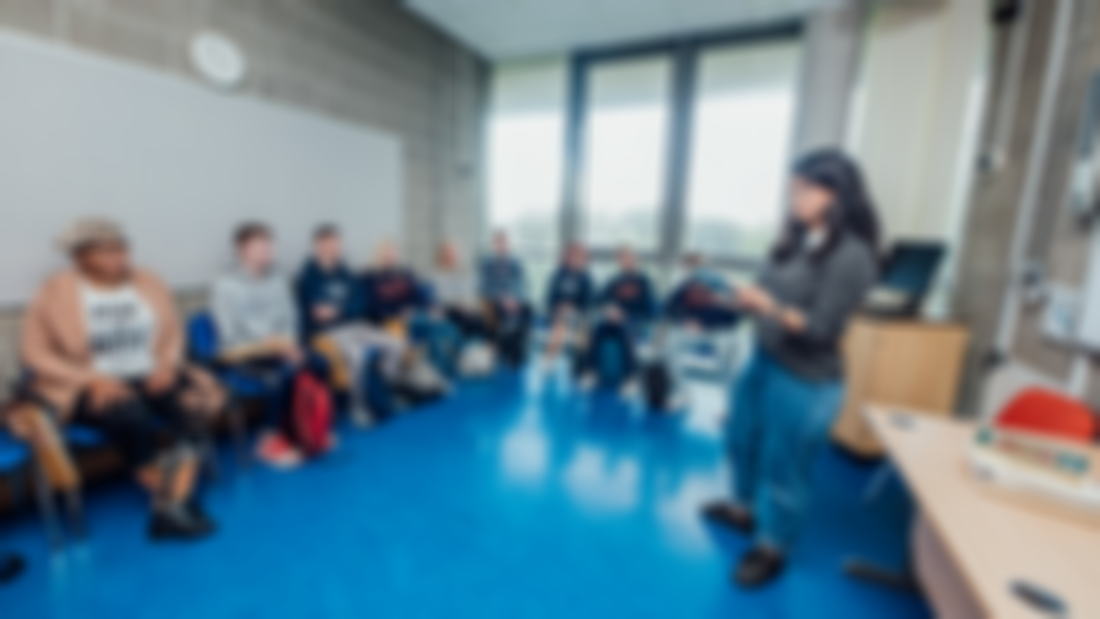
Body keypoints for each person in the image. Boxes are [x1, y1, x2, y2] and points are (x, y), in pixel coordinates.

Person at [702, 149, 881, 588]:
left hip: (806, 378)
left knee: (786, 467)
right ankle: (742, 510)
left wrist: (767, 304)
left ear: (836, 194)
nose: (793, 200)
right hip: (764, 358)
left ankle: (773, 547)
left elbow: (821, 328)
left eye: (804, 191)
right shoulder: (795, 240)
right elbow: (767, 294)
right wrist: (739, 299)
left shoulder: (853, 255)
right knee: (741, 438)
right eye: (791, 191)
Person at [22, 218, 225, 540]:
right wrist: (90, 379)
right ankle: (172, 504)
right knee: (130, 414)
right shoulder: (55, 290)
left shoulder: (148, 280)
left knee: (198, 400)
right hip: (90, 383)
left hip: (149, 372)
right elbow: (35, 353)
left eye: (121, 248)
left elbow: (171, 331)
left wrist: (167, 365)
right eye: (104, 252)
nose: (117, 257)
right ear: (80, 256)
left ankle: (171, 499)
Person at [212, 222, 329, 469]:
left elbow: (291, 317)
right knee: (281, 375)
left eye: (269, 245)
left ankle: (302, 427)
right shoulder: (225, 286)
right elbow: (230, 335)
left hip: (281, 347)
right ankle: (268, 439)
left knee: (319, 362)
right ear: (243, 250)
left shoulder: (277, 277)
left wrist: (289, 343)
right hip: (245, 352)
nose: (268, 250)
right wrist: (270, 344)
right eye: (261, 246)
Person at [296, 225, 403, 426]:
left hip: (354, 325)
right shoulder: (308, 276)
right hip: (327, 333)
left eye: (337, 243)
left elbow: (362, 302)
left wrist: (338, 310)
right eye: (328, 244)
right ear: (317, 246)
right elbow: (317, 314)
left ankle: (383, 393)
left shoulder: (345, 271)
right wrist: (344, 307)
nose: (334, 248)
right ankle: (358, 406)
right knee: (357, 354)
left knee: (394, 344)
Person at [574, 246, 656, 390]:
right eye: (623, 259)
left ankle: (631, 378)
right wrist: (608, 309)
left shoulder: (644, 280)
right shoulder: (613, 280)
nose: (626, 261)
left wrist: (627, 314)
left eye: (630, 258)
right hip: (612, 317)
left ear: (635, 260)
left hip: (634, 318)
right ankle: (591, 372)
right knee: (595, 330)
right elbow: (598, 300)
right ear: (619, 261)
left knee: (626, 333)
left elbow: (650, 306)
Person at [479, 231, 532, 367]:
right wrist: (501, 297)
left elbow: (523, 284)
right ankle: (503, 347)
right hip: (495, 300)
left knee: (529, 310)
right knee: (493, 312)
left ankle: (518, 347)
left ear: (508, 244)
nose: (501, 245)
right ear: (494, 245)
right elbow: (484, 286)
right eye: (498, 243)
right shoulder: (487, 264)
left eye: (504, 243)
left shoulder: (516, 263)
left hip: (514, 299)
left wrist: (515, 298)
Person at [542, 243, 594, 366]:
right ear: (566, 257)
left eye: (578, 256)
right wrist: (558, 308)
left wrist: (573, 308)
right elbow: (549, 297)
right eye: (572, 255)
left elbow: (589, 301)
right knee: (559, 327)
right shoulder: (557, 274)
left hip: (579, 314)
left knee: (584, 330)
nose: (575, 259)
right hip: (558, 313)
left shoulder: (586, 277)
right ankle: (549, 360)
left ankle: (581, 364)